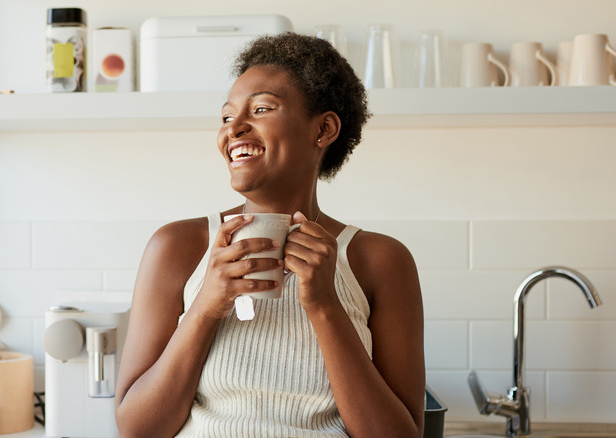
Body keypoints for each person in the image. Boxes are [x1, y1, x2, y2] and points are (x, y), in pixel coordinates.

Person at [115, 32, 425, 437]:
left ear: (324, 129)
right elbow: (136, 429)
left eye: (261, 108)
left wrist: (324, 306)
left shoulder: (381, 260)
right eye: (227, 117)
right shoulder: (177, 247)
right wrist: (207, 304)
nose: (235, 129)